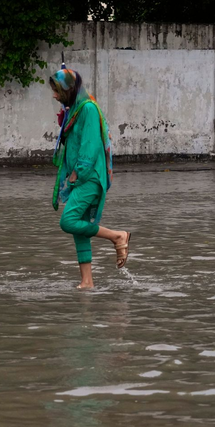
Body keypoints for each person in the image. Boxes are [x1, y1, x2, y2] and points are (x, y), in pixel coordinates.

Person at [50, 68, 130, 289]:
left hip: (90, 176)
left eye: (57, 91)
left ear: (68, 89)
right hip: (82, 176)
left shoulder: (88, 109)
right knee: (79, 227)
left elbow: (91, 143)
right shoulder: (75, 109)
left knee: (68, 221)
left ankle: (117, 236)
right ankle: (87, 281)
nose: (54, 96)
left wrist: (79, 171)